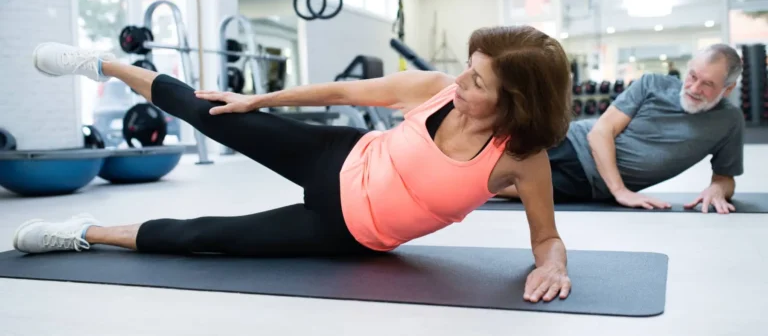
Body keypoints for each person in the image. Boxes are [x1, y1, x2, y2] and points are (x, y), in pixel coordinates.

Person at [13, 26, 574, 303]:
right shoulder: (432, 90)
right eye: (467, 68)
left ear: (516, 102)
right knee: (211, 111)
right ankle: (103, 64)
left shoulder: (521, 161)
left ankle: (84, 234)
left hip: (346, 233)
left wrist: (554, 266)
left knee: (209, 238)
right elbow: (345, 92)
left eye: (477, 81)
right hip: (334, 156)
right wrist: (259, 101)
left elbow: (546, 238)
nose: (460, 81)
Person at [497, 44, 745, 214]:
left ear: (728, 89)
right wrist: (621, 191)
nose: (694, 87)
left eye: (708, 84)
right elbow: (600, 132)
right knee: (492, 156)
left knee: (496, 186)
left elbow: (725, 178)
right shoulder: (653, 84)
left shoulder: (729, 122)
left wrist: (717, 188)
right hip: (573, 143)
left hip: (591, 185)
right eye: (692, 76)